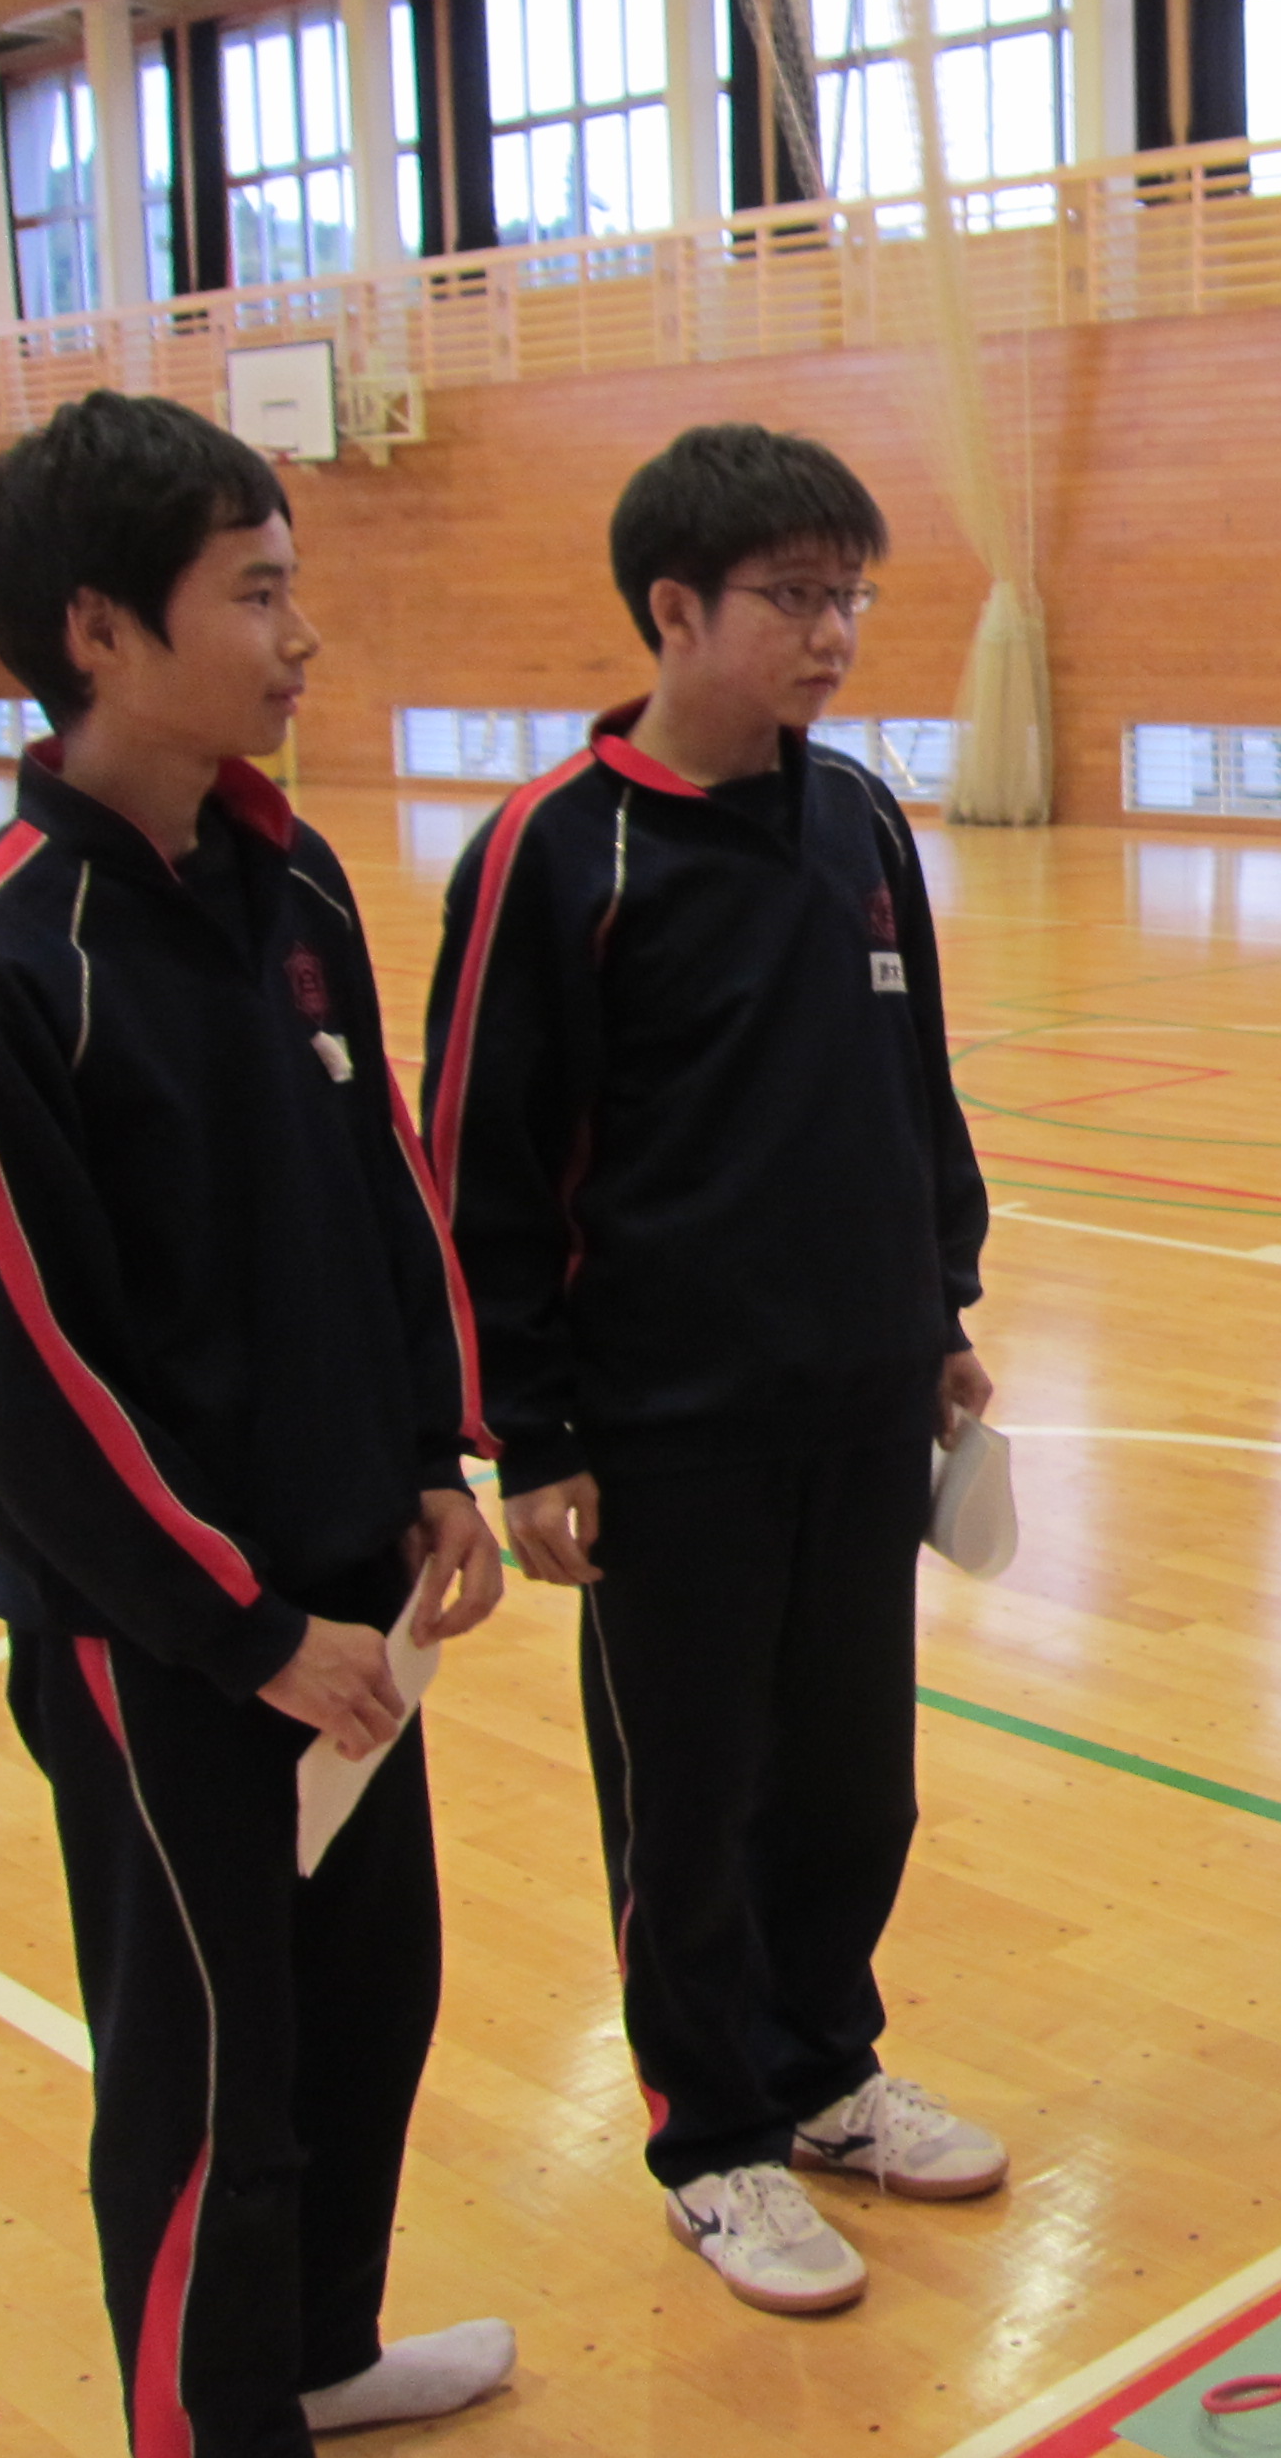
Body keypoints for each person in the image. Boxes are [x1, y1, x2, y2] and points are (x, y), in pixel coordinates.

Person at [0, 390, 516, 2456]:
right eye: (253, 593)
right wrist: (245, 1631)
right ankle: (209, 2423)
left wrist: (431, 1466)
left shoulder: (292, 878)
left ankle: (317, 2356)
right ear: (97, 631)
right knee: (210, 2073)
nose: (299, 635)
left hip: (350, 1594)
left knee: (366, 2008)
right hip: (166, 1645)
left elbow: (384, 1190)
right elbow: (26, 1379)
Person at [422, 424, 1001, 2319]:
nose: (836, 634)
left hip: (859, 1403)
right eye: (794, 597)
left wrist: (938, 1307)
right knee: (692, 1803)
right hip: (669, 1438)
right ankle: (712, 2137)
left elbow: (913, 1091)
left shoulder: (862, 824)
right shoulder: (553, 853)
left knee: (853, 1784)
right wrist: (526, 1432)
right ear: (673, 608)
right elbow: (479, 1168)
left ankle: (825, 2070)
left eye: (852, 597)